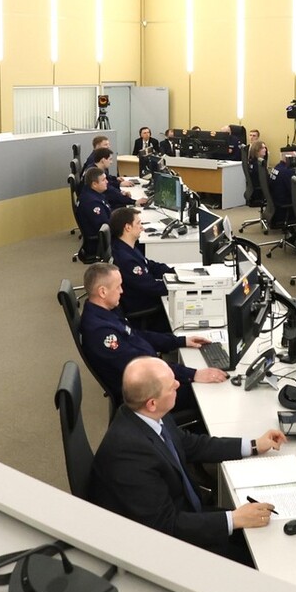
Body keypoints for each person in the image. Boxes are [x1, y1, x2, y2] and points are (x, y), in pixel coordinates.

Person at [88, 357, 282, 562]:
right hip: (164, 546)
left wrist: (253, 445)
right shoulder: (130, 455)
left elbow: (191, 444)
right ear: (152, 403)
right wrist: (234, 519)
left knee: (268, 531)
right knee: (265, 557)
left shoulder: (145, 413)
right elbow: (165, 526)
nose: (178, 384)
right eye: (171, 385)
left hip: (185, 513)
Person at [77, 264, 225, 409]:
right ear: (102, 292)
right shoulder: (101, 332)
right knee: (212, 391)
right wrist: (193, 374)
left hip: (151, 375)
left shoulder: (106, 311)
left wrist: (181, 341)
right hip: (145, 393)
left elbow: (136, 334)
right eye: (118, 287)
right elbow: (144, 369)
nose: (122, 291)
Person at [111, 206, 175, 332]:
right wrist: (178, 285)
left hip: (146, 298)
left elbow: (149, 264)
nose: (142, 227)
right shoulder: (126, 260)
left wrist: (173, 271)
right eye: (138, 223)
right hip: (145, 310)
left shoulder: (127, 247)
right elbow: (151, 287)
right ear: (128, 227)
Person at [76, 167, 120, 243]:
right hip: (101, 242)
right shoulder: (92, 203)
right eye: (103, 180)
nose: (107, 182)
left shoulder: (92, 193)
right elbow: (105, 227)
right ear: (94, 184)